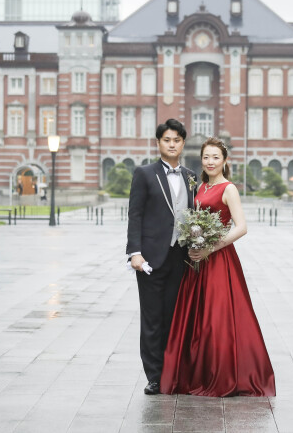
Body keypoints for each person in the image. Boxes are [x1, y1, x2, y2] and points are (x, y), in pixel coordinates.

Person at [160, 137, 275, 397]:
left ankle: (221, 374)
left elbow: (242, 227)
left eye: (215, 157)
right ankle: (196, 372)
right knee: (198, 317)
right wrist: (192, 243)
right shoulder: (199, 186)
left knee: (217, 318)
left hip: (219, 259)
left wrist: (211, 247)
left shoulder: (228, 188)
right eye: (206, 157)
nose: (210, 162)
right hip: (196, 260)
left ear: (224, 161)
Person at [126, 119, 196, 396]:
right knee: (153, 319)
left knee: (176, 318)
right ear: (159, 143)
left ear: (182, 144)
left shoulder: (191, 176)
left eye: (177, 140)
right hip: (151, 260)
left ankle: (174, 373)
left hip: (182, 258)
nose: (172, 144)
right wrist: (135, 253)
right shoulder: (144, 174)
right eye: (167, 140)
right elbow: (135, 214)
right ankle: (154, 377)